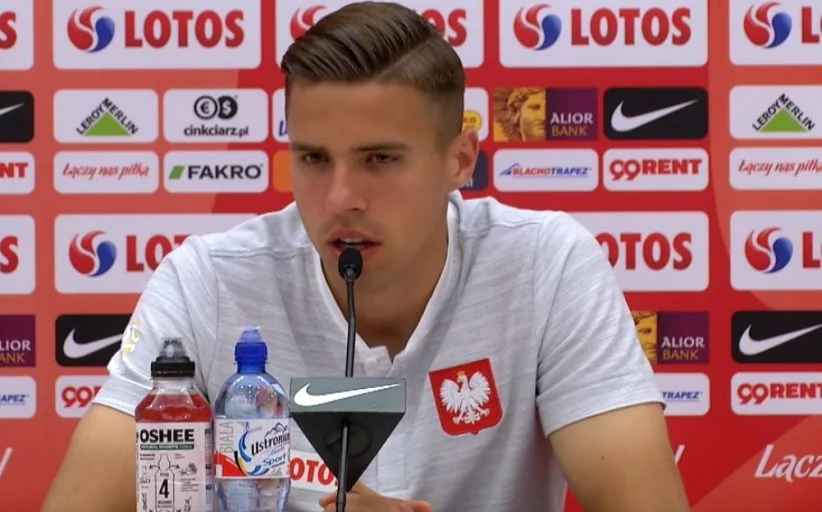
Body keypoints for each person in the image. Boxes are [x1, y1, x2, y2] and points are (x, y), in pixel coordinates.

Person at [43, 2, 691, 511]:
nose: (341, 198)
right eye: (314, 158)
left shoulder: (545, 265)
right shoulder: (208, 282)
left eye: (380, 159)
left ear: (459, 160)